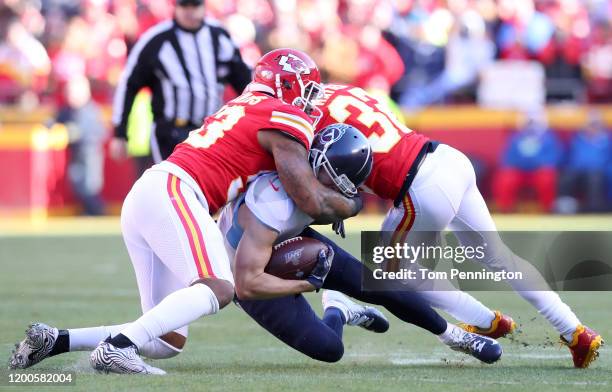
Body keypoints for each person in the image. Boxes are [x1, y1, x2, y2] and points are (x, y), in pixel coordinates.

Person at [9, 49, 361, 375]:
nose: (311, 101)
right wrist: (351, 204)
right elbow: (307, 196)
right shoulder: (279, 113)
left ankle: (56, 340)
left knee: (166, 341)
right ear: (287, 85)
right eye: (308, 90)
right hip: (177, 190)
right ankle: (118, 347)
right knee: (219, 288)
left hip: (153, 193)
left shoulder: (244, 106)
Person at [308, 84, 602, 368]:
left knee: (385, 271)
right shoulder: (340, 90)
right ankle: (575, 331)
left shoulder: (306, 116)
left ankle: (486, 322)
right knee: (500, 257)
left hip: (418, 187)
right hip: (446, 158)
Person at [221, 124, 502, 365]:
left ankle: (455, 336)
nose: (348, 192)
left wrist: (334, 210)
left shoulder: (310, 179)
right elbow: (248, 283)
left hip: (287, 238)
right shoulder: (274, 203)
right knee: (329, 349)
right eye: (342, 183)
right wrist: (308, 284)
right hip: (244, 270)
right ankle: (339, 308)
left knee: (378, 284)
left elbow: (328, 201)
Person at [110, 0, 251, 163]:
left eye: (194, 6)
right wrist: (120, 134)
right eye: (185, 6)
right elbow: (129, 85)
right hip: (171, 133)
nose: (190, 12)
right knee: (172, 185)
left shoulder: (219, 37)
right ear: (176, 7)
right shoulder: (156, 41)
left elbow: (242, 80)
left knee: (211, 186)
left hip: (211, 130)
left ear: (203, 7)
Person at [493, 111, 563, 213]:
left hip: (539, 171)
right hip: (519, 171)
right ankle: (506, 208)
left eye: (534, 123)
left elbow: (554, 158)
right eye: (528, 123)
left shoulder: (549, 138)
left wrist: (536, 162)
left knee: (547, 178)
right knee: (506, 177)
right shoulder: (515, 138)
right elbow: (507, 158)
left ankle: (548, 208)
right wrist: (521, 162)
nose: (531, 126)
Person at [56, 75, 107, 216]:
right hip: (76, 153)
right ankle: (89, 210)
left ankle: (96, 211)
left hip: (90, 153)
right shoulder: (67, 110)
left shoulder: (91, 110)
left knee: (89, 184)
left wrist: (74, 132)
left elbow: (98, 131)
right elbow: (56, 120)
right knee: (77, 182)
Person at [556, 110, 611, 213]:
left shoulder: (607, 140)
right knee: (567, 177)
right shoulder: (577, 138)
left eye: (596, 125)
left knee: (594, 179)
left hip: (598, 170)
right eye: (591, 125)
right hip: (577, 169)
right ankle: (564, 207)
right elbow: (567, 156)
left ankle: (594, 208)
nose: (593, 128)